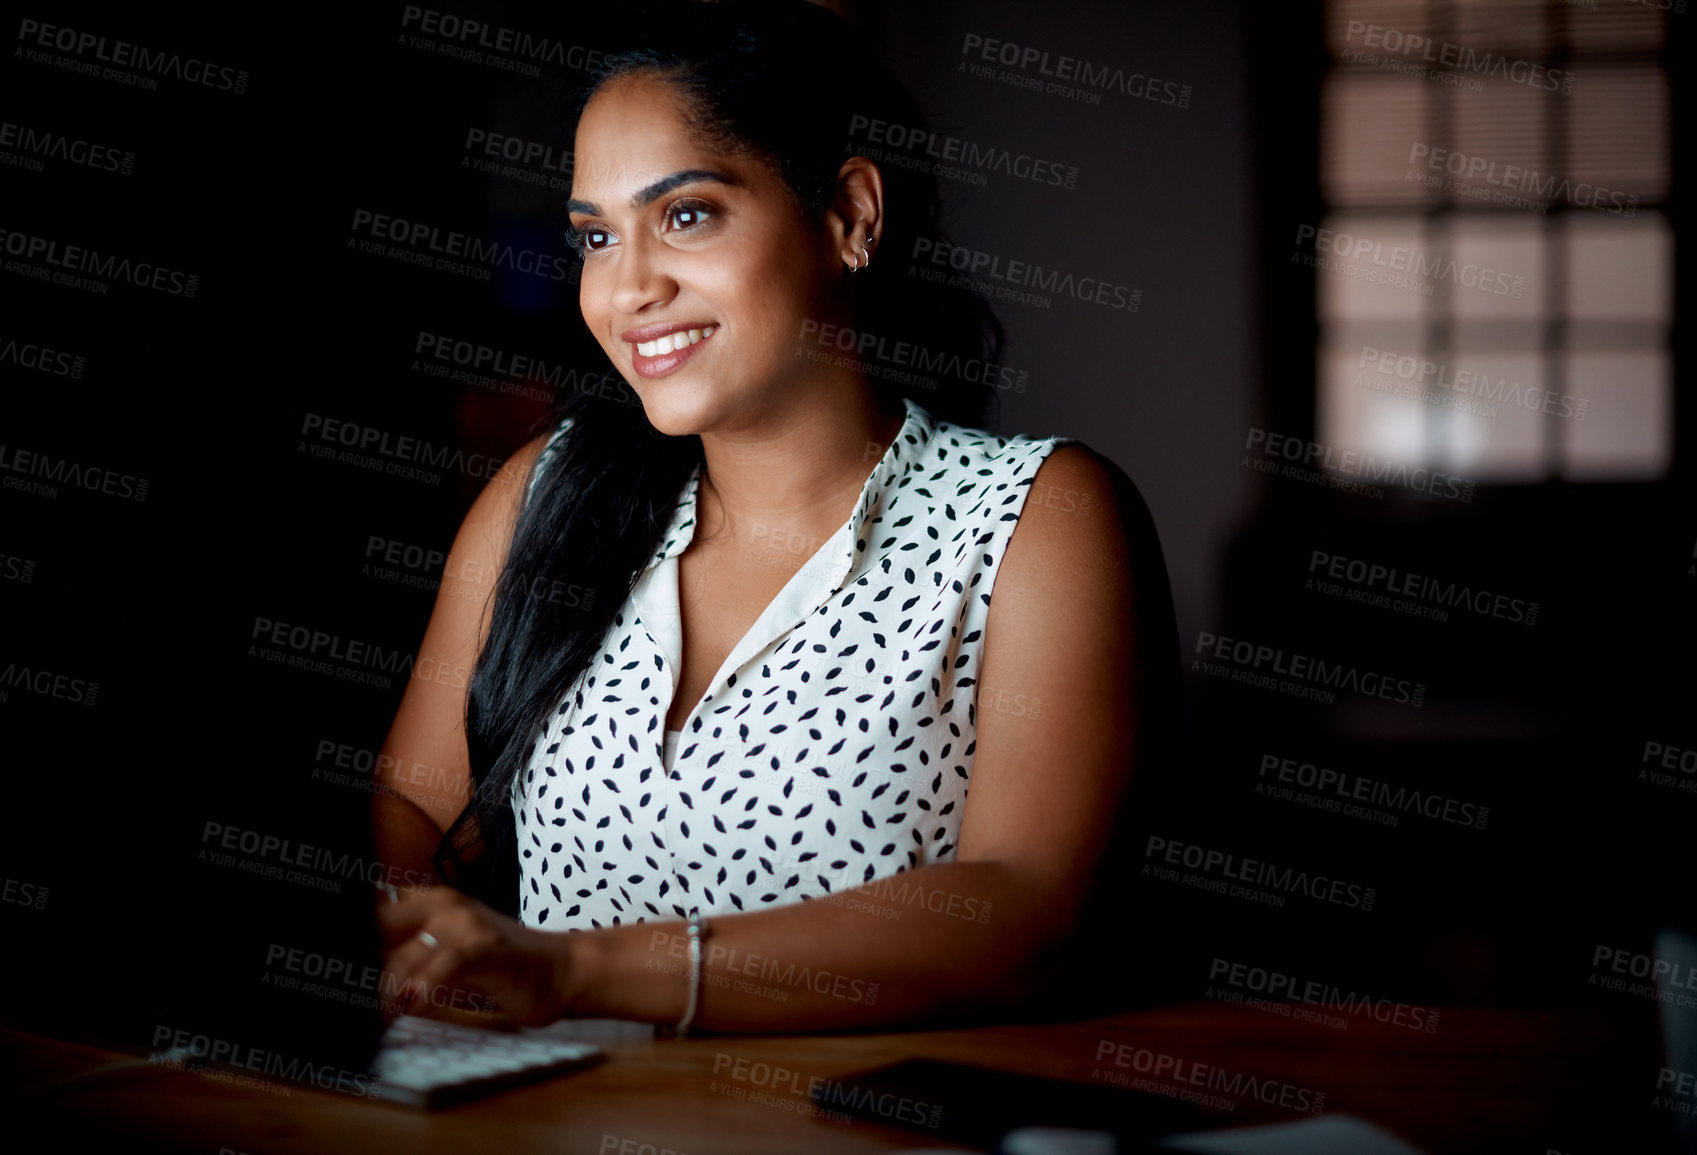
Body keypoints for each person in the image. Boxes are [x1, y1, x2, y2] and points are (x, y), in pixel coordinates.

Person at [370, 0, 1173, 1034]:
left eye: (686, 215)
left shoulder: (1035, 517)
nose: (629, 288)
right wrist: (415, 949)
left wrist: (580, 971)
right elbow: (415, 814)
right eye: (595, 237)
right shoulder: (544, 495)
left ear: (850, 214)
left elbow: (1021, 908)